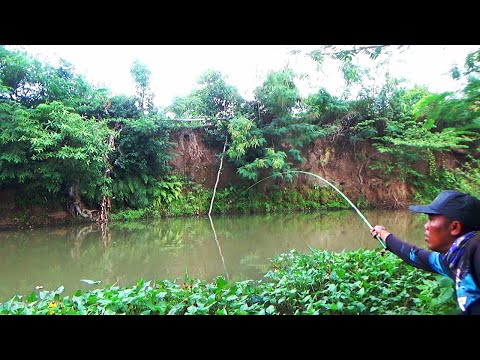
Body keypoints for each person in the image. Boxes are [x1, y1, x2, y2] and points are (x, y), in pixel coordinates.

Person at [370, 190, 480, 315]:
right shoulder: (454, 258)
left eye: (431, 219)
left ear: (455, 227)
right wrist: (383, 235)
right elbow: (416, 256)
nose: (426, 226)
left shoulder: (475, 248)